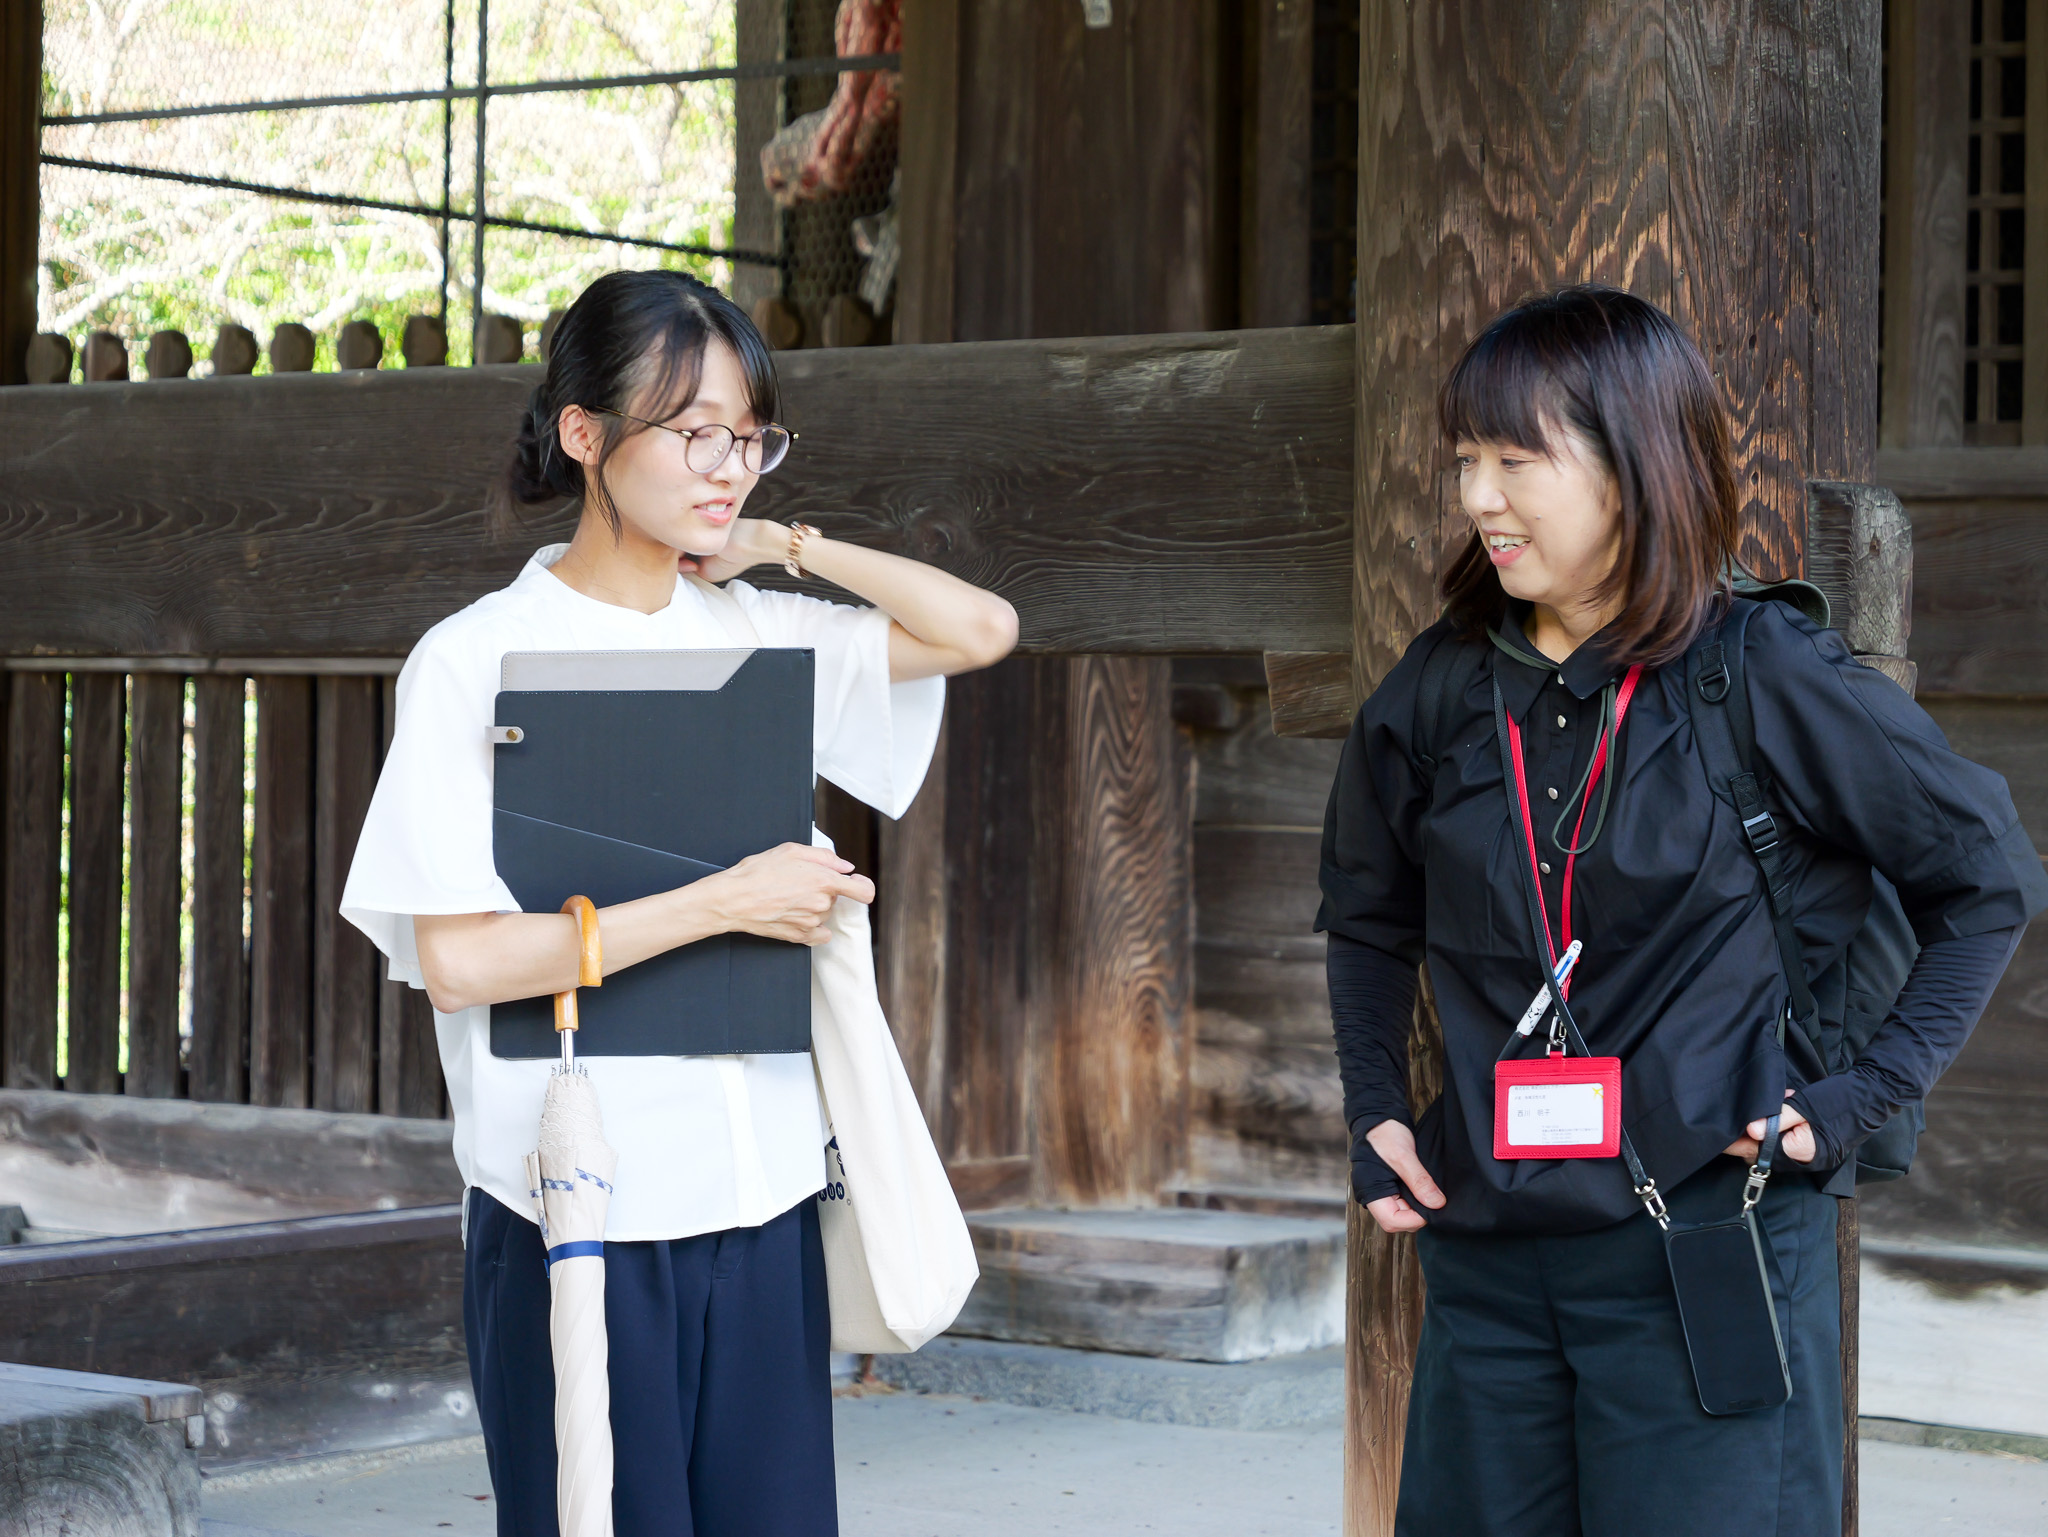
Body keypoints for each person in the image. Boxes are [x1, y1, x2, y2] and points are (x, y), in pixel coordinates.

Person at [1317, 285, 2046, 1535]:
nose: (1477, 496)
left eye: (1514, 460)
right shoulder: (1441, 683)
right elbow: (1368, 913)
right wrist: (1374, 1102)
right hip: (1488, 1259)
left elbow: (1986, 879)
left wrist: (1855, 1100)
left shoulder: (1757, 672)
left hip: (1708, 1241)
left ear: (1631, 466)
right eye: (1464, 460)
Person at [340, 268, 1017, 1537]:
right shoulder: (472, 658)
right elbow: (462, 963)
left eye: (751, 436)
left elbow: (980, 628)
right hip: (575, 1203)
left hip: (760, 1194)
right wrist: (723, 901)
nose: (730, 466)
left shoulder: (753, 632)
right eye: (696, 432)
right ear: (584, 433)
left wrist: (781, 546)